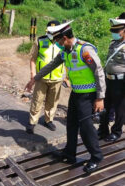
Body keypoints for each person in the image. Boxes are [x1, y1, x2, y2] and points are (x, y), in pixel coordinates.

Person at [25, 21, 106, 174]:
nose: (57, 44)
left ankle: (96, 157)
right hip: (75, 94)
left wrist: (100, 98)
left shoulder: (85, 50)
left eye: (58, 41)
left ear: (64, 38)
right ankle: (70, 154)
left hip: (88, 96)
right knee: (71, 124)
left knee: (86, 128)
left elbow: (99, 72)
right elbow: (51, 65)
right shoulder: (66, 52)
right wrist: (34, 79)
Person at [27, 20, 65, 133]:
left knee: (52, 101)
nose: (51, 34)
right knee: (37, 100)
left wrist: (66, 77)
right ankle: (32, 122)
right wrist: (33, 74)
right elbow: (33, 59)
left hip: (57, 78)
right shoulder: (40, 40)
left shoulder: (63, 43)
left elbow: (67, 60)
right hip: (41, 78)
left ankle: (49, 120)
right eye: (50, 31)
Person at [98, 12, 125, 142]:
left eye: (117, 30)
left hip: (121, 82)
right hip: (108, 79)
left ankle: (117, 131)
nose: (114, 32)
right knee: (104, 106)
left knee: (120, 108)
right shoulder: (114, 43)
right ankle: (103, 129)